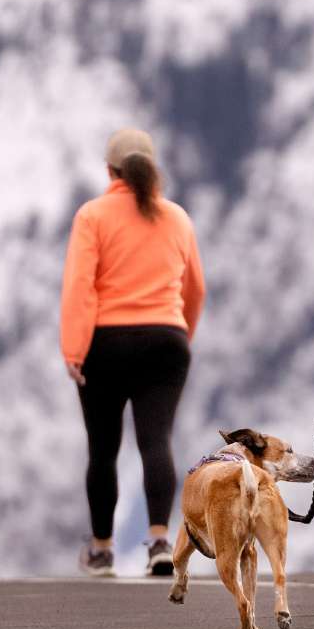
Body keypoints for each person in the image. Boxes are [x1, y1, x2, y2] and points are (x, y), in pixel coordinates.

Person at [60, 128, 206, 577]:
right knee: (156, 441)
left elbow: (80, 286)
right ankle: (160, 542)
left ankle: (102, 550)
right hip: (166, 340)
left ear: (110, 171)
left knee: (103, 449)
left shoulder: (93, 216)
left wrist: (74, 348)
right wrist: (180, 333)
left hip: (106, 342)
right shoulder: (177, 218)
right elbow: (195, 288)